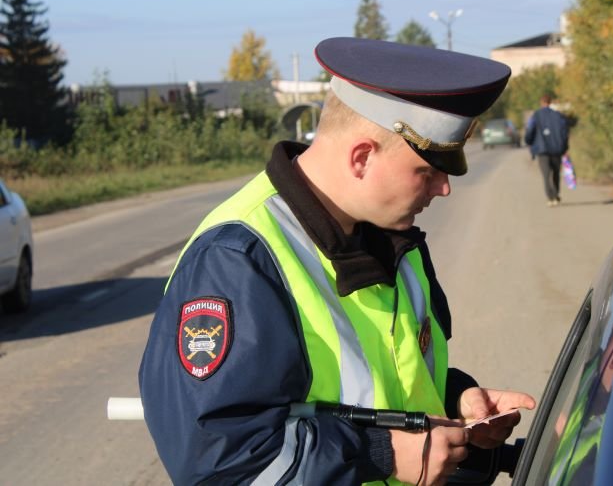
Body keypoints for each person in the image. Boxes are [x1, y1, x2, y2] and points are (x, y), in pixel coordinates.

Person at [139, 37, 536, 486]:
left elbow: (380, 378)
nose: (442, 188)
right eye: (427, 171)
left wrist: (457, 401)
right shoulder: (237, 259)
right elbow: (220, 462)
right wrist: (379, 453)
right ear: (362, 157)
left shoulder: (392, 238)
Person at [524, 95, 569, 207]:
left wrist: (529, 142)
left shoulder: (536, 116)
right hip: (556, 150)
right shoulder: (559, 116)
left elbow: (530, 130)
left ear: (541, 102)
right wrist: (564, 147)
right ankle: (556, 195)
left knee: (546, 175)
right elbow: (565, 133)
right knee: (556, 173)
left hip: (542, 150)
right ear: (550, 102)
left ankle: (550, 198)